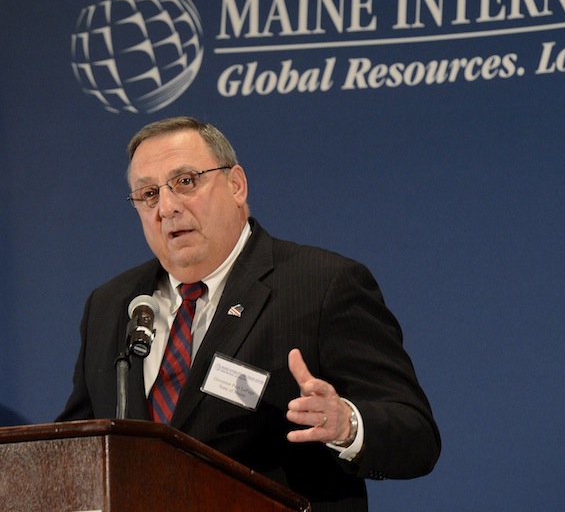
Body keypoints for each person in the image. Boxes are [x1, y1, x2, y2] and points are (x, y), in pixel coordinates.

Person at [57, 116, 440, 511]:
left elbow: (416, 436)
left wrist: (347, 424)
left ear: (236, 184)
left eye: (186, 181)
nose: (167, 207)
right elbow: (74, 445)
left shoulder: (322, 285)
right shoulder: (112, 303)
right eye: (149, 193)